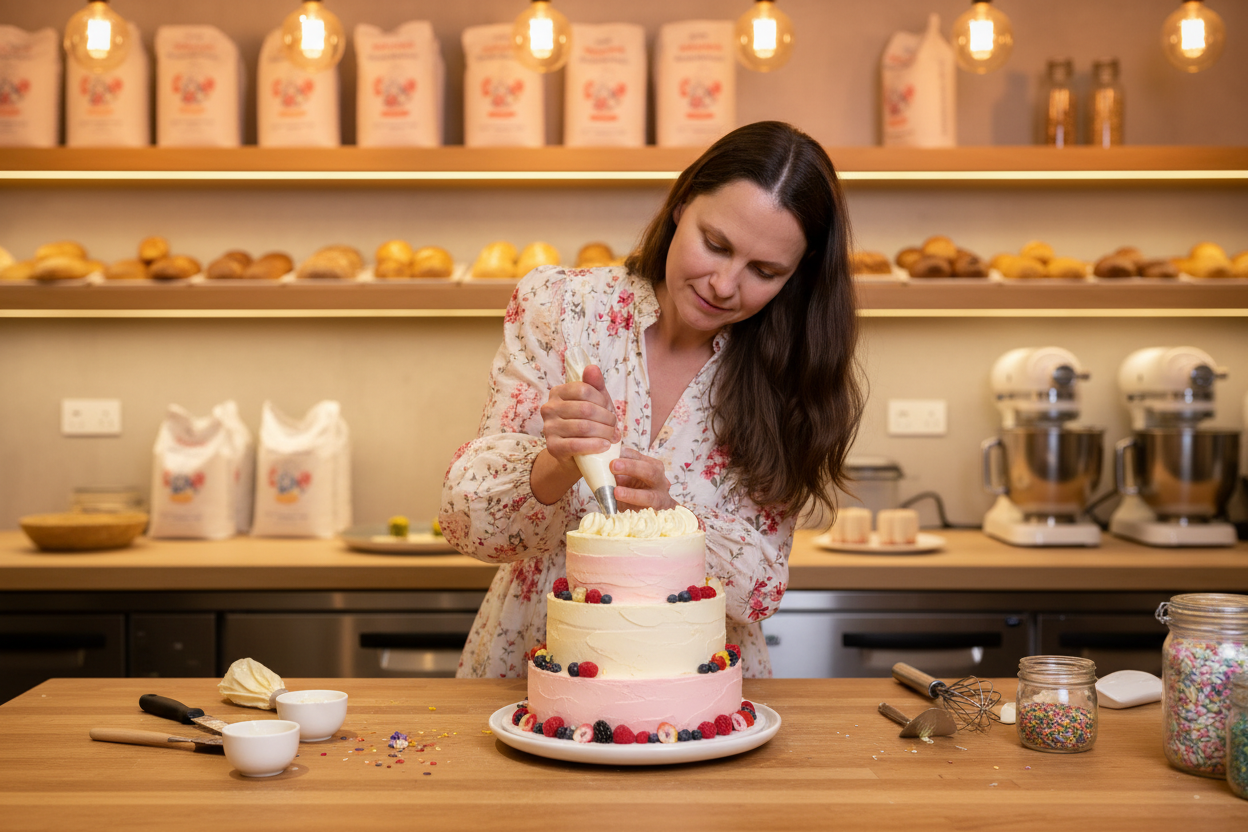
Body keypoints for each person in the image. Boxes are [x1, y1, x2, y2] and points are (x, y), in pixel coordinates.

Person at [440, 120, 864, 679]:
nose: (724, 284)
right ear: (680, 204)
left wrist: (673, 519)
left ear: (796, 275)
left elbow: (758, 591)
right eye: (715, 245)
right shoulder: (562, 306)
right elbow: (466, 523)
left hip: (693, 690)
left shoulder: (791, 373)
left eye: (764, 271)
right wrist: (557, 462)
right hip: (529, 670)